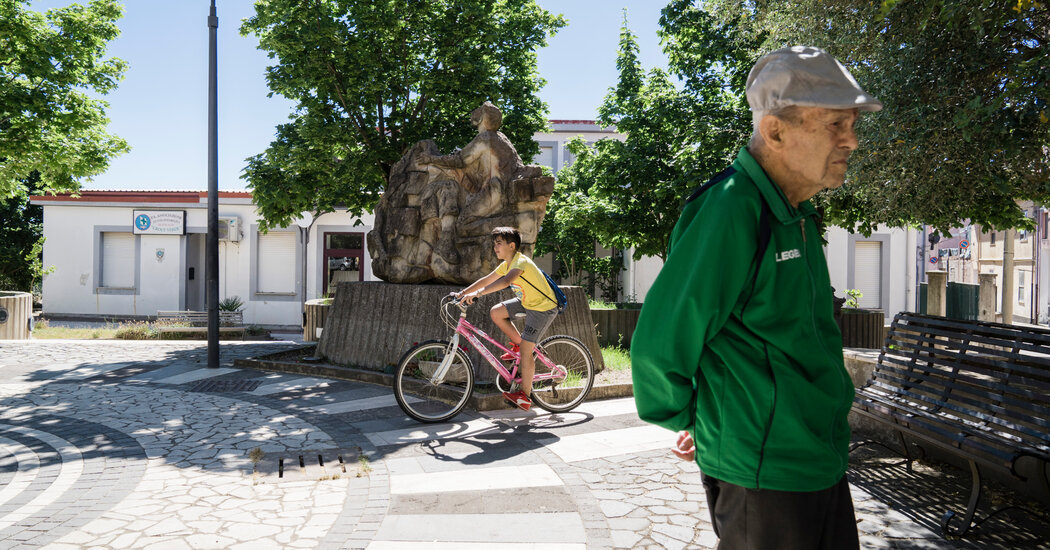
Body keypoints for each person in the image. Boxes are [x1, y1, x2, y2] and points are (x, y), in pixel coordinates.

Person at [631, 46, 883, 550]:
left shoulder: (799, 212)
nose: (851, 140)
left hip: (819, 459)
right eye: (835, 124)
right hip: (767, 472)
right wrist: (698, 420)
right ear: (774, 130)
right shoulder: (731, 209)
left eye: (853, 124)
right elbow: (659, 347)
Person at [456, 226, 558, 411]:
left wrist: (478, 294)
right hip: (527, 302)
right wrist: (462, 293)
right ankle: (519, 344)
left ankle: (524, 396)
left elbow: (505, 282)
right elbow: (486, 280)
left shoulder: (521, 262)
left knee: (527, 351)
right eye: (494, 243)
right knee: (496, 312)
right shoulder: (507, 264)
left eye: (499, 243)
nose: (495, 247)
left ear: (512, 246)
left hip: (543, 308)